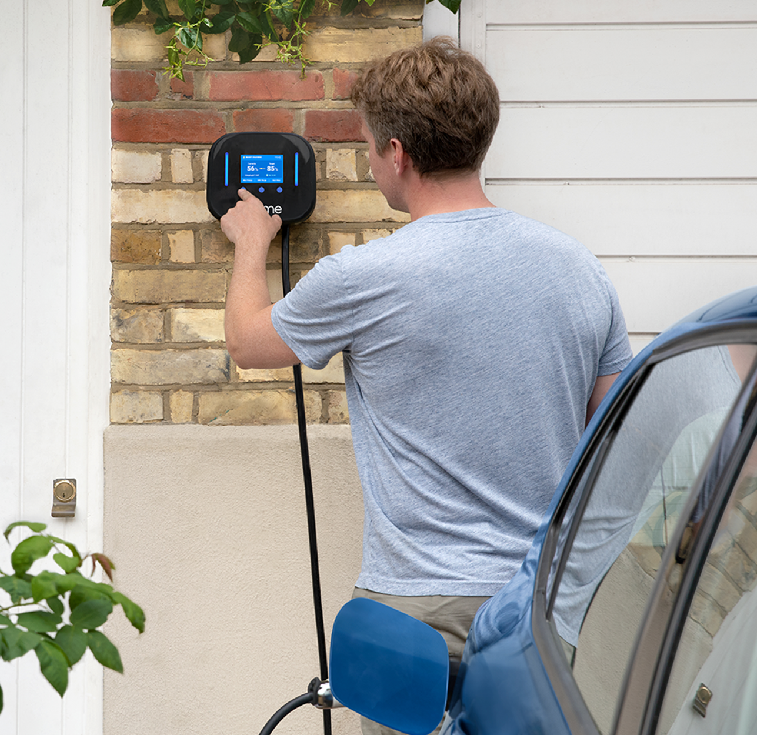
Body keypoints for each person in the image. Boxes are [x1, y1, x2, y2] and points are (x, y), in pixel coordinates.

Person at [219, 37, 633, 735]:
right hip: (536, 606)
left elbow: (247, 342)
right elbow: (616, 441)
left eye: (369, 147)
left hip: (413, 612)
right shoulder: (579, 270)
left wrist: (253, 241)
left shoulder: (365, 276)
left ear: (398, 153)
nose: (371, 162)